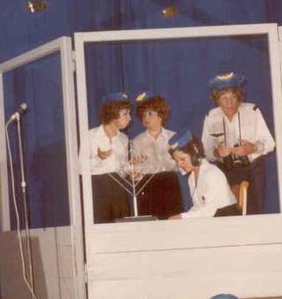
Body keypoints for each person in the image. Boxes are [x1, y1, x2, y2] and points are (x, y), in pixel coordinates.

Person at [200, 72, 275, 215]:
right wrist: (216, 153)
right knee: (227, 213)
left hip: (252, 168)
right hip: (225, 170)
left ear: (239, 97)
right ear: (217, 99)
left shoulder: (252, 111)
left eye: (233, 97)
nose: (229, 103)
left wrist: (252, 148)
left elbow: (270, 143)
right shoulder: (211, 116)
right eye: (224, 98)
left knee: (253, 213)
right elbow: (205, 150)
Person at [129, 91, 183, 219]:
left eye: (150, 114)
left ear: (161, 115)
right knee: (150, 223)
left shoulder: (173, 137)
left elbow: (181, 164)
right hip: (148, 186)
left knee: (172, 221)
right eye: (143, 115)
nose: (146, 118)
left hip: (170, 184)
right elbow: (135, 172)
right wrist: (135, 171)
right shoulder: (137, 141)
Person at [168, 131, 239, 219]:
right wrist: (181, 217)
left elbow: (209, 211)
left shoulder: (212, 174)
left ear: (195, 150)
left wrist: (182, 217)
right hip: (212, 220)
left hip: (226, 220)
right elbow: (198, 207)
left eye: (182, 159)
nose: (179, 164)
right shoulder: (191, 178)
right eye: (176, 161)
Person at [88, 92, 132, 223]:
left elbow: (122, 170)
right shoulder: (90, 136)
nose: (130, 118)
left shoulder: (124, 139)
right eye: (125, 114)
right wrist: (99, 158)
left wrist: (131, 168)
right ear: (113, 114)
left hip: (119, 191)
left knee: (121, 227)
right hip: (97, 190)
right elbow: (80, 168)